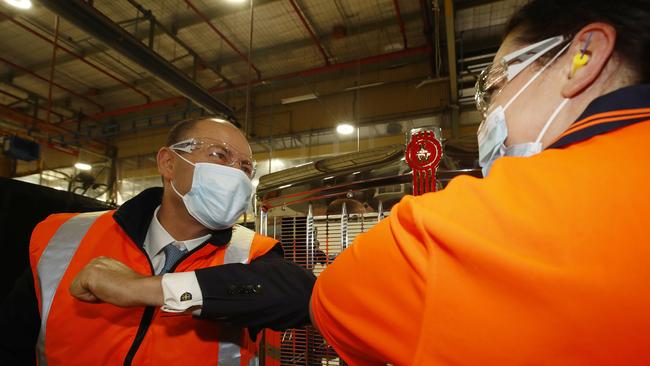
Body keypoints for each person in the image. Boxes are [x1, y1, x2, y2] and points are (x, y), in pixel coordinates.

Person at [310, 0, 650, 364]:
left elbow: (331, 302)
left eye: (495, 86)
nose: (489, 116)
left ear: (583, 56)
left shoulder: (451, 229)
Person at [0, 117, 315, 365]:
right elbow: (14, 342)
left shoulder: (251, 251)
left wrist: (146, 288)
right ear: (168, 163)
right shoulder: (63, 236)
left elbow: (300, 295)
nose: (237, 174)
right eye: (220, 155)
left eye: (246, 167)